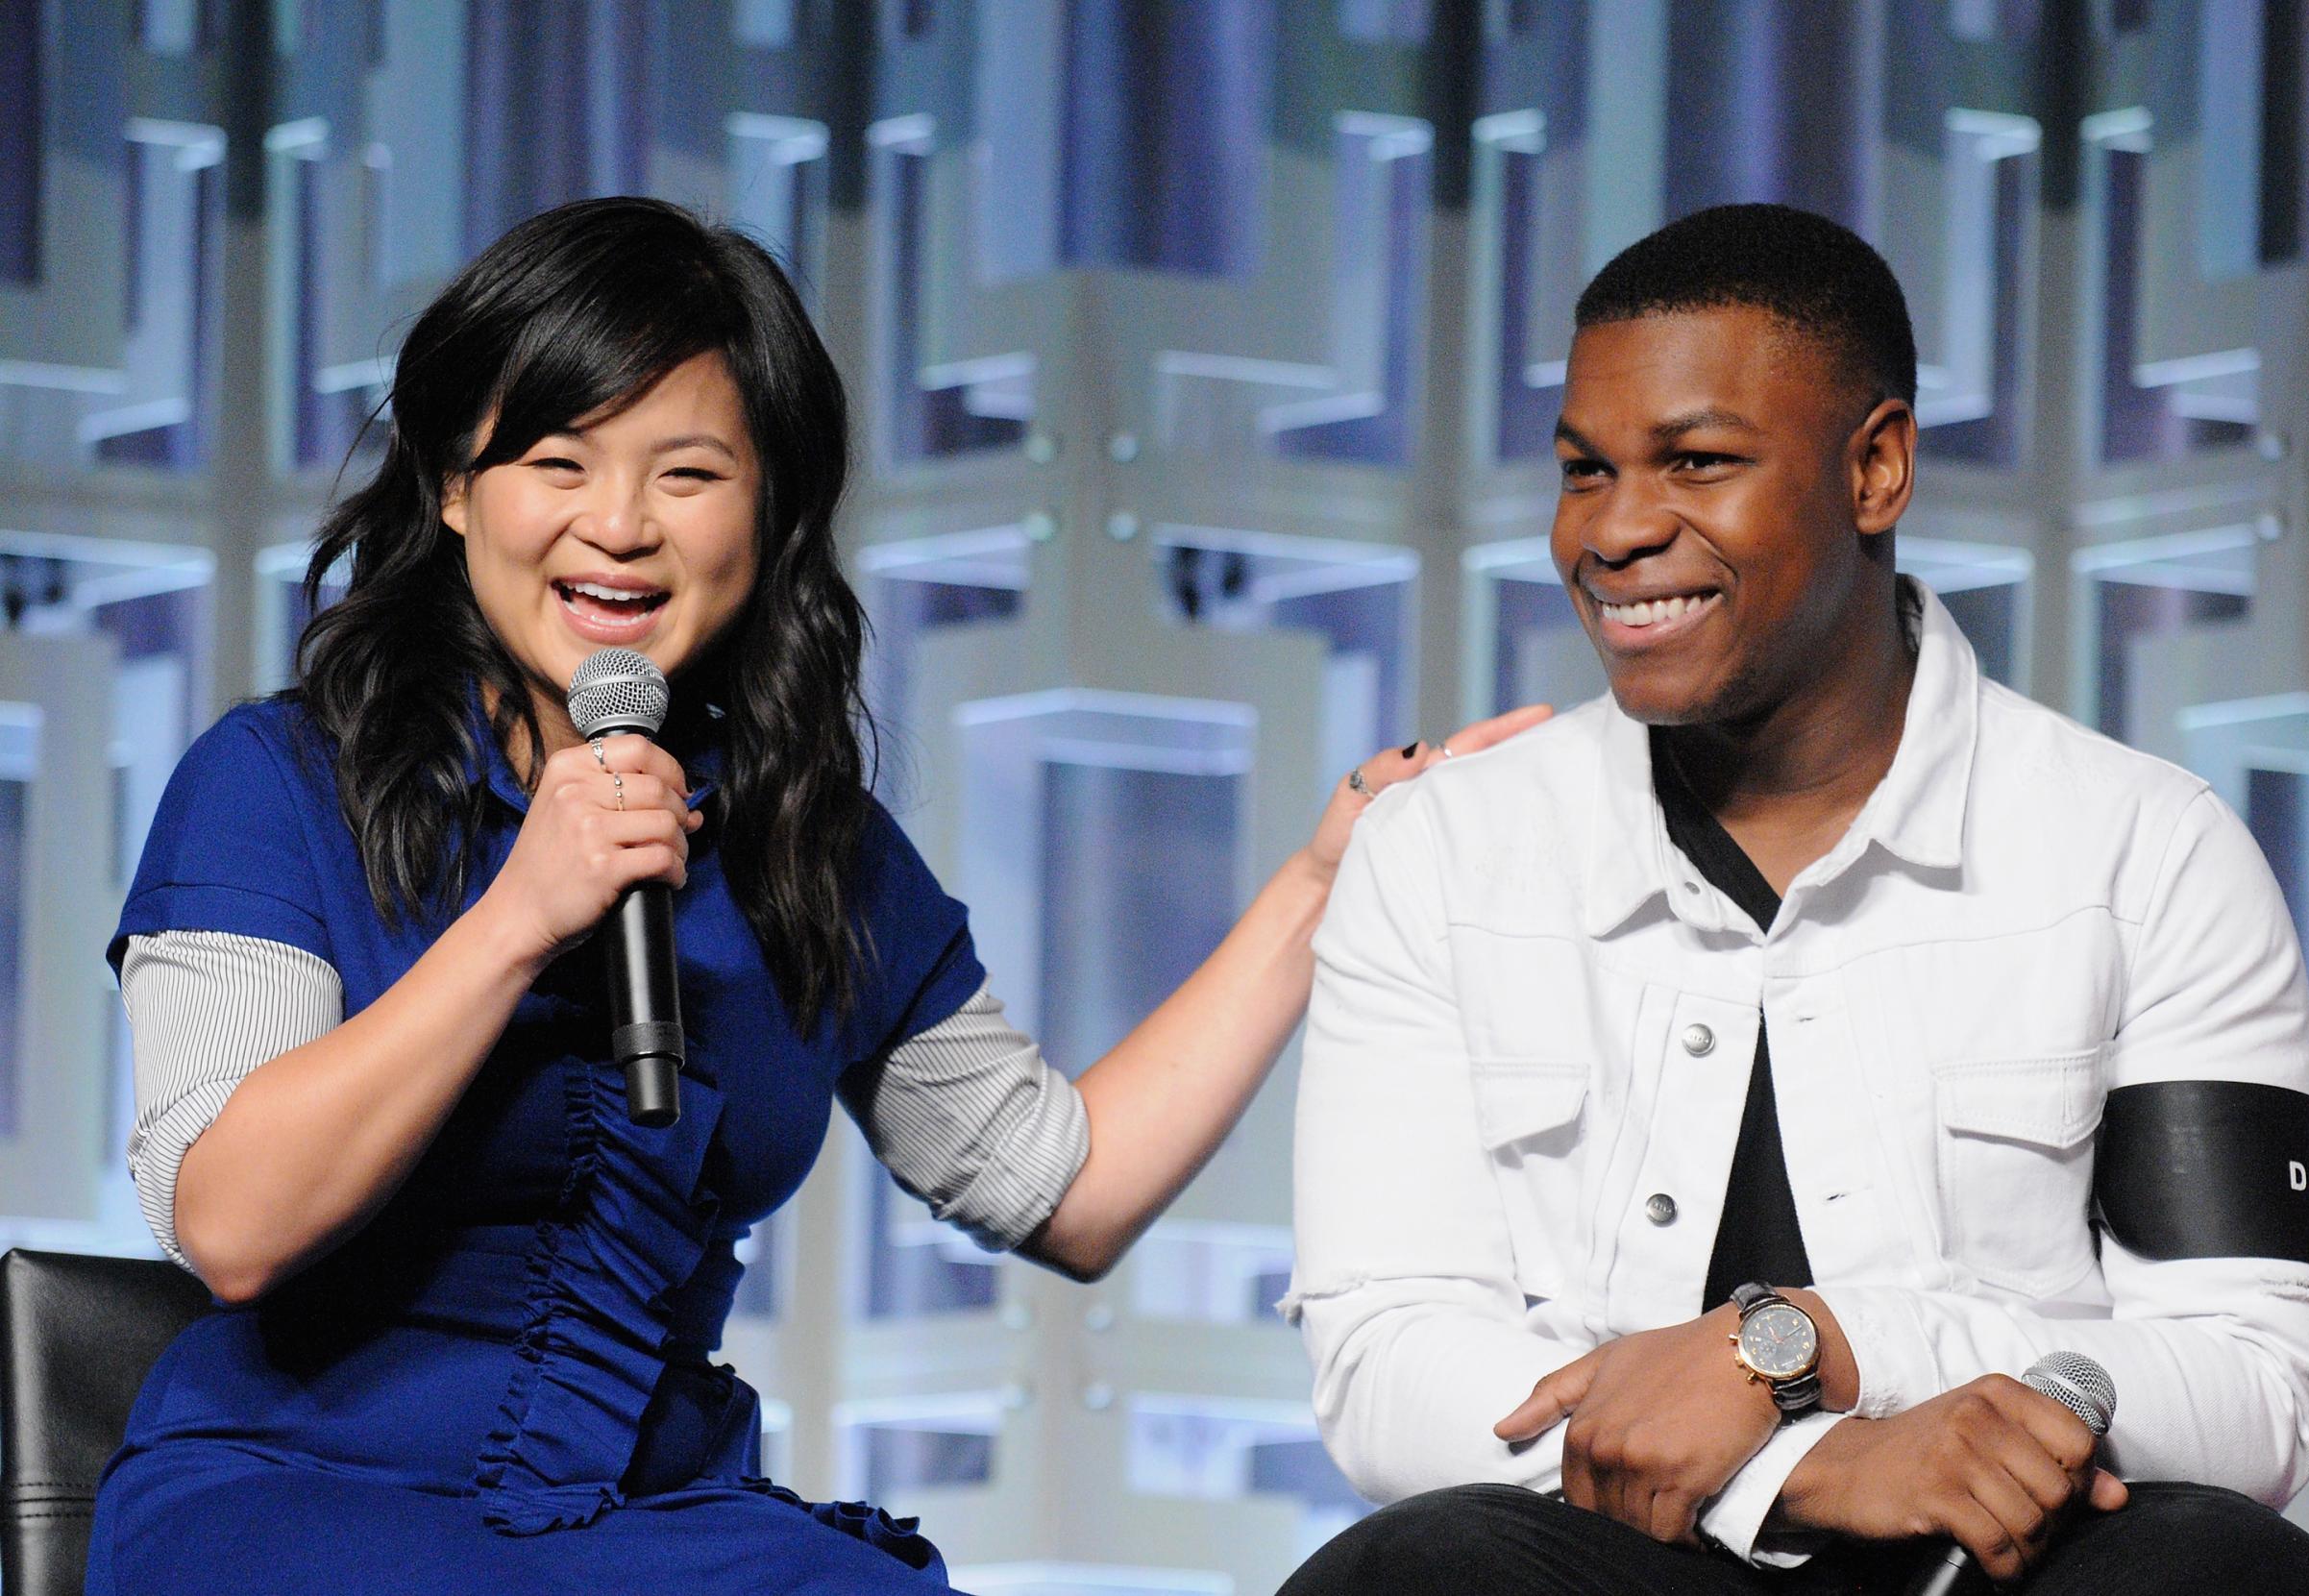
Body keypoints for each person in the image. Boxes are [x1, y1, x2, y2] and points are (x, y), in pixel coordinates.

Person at [92, 195, 1546, 1596]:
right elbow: (234, 1220)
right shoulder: (279, 780)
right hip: (301, 1498)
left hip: (652, 1520)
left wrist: (1327, 876)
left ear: (768, 507)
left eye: (688, 473)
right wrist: (520, 915)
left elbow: (1066, 1184)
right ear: (455, 487)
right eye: (557, 461)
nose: (619, 525)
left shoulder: (803, 837)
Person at [1278, 204, 2309, 1596]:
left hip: (2013, 1565)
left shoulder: (2145, 848)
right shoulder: (1440, 850)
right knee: (1418, 1570)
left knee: (2220, 1568)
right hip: (1618, 1563)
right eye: (1584, 470)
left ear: (1877, 467)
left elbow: (2255, 1380)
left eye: (1697, 462)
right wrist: (1805, 1463)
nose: (1614, 532)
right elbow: (1385, 1357)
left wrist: (1827, 1343)